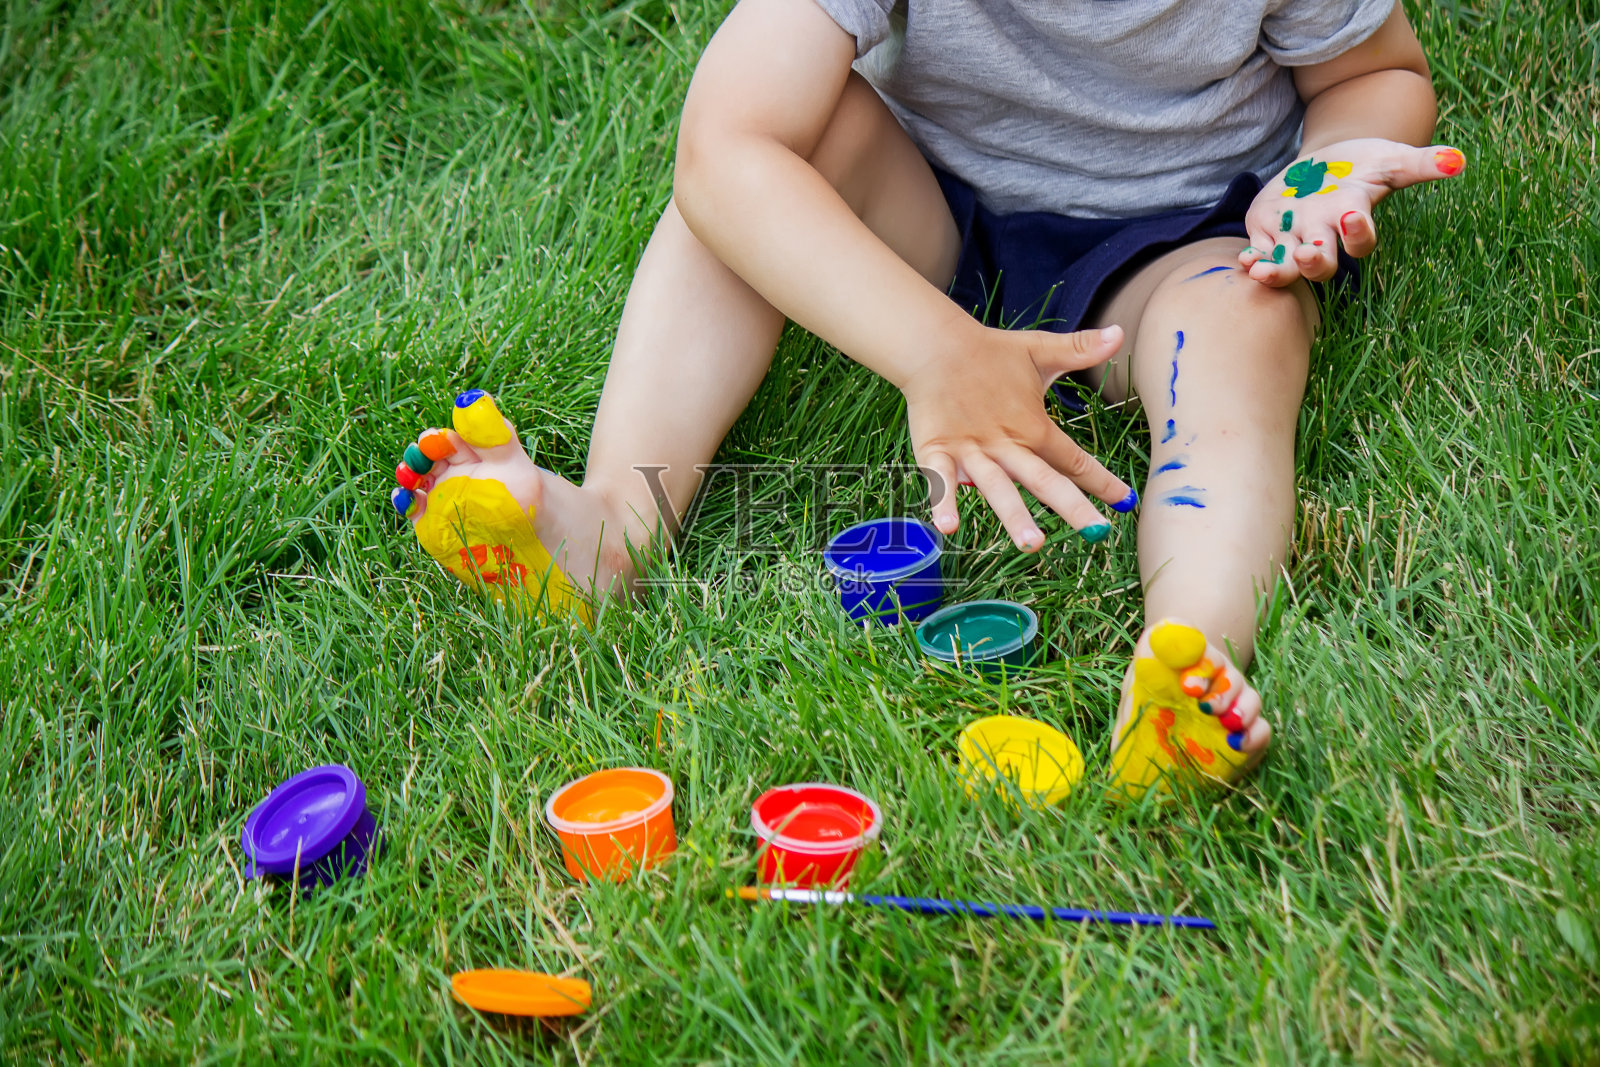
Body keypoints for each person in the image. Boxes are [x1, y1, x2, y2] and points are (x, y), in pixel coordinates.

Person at [385, 0, 1462, 797]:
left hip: (1179, 241)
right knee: (758, 182)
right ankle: (609, 527)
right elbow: (723, 150)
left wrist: (1318, 173)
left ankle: (1186, 661)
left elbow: (1374, 74)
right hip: (926, 214)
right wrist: (932, 349)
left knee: (1246, 329)